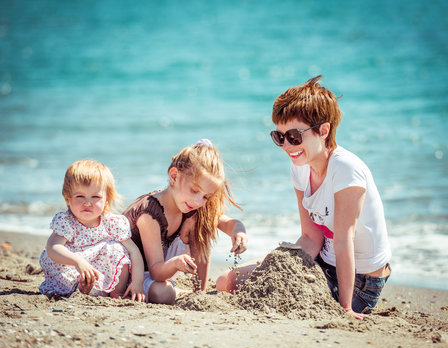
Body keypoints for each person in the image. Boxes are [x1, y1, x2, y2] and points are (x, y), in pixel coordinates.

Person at [216, 76, 391, 320]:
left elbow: (343, 242)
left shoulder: (345, 169)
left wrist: (346, 309)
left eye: (294, 136)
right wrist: (277, 268)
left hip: (360, 282)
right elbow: (311, 237)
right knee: (227, 281)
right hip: (321, 262)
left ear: (323, 130)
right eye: (279, 137)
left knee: (270, 299)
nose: (287, 146)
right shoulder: (300, 164)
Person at [123, 139, 248, 305]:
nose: (198, 201)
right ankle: (178, 290)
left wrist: (238, 231)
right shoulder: (150, 213)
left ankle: (199, 292)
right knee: (163, 294)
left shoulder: (190, 207)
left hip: (155, 271)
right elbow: (156, 273)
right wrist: (175, 263)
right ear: (174, 176)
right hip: (132, 274)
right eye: (194, 190)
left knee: (202, 220)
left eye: (205, 196)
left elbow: (229, 223)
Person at [39, 160, 145, 302]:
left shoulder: (112, 223)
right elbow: (53, 247)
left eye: (95, 197)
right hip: (72, 266)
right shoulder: (66, 221)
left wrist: (137, 282)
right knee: (60, 260)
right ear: (67, 198)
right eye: (80, 196)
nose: (87, 203)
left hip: (99, 270)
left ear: (107, 199)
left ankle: (116, 292)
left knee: (117, 249)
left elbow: (134, 251)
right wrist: (77, 262)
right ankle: (82, 287)